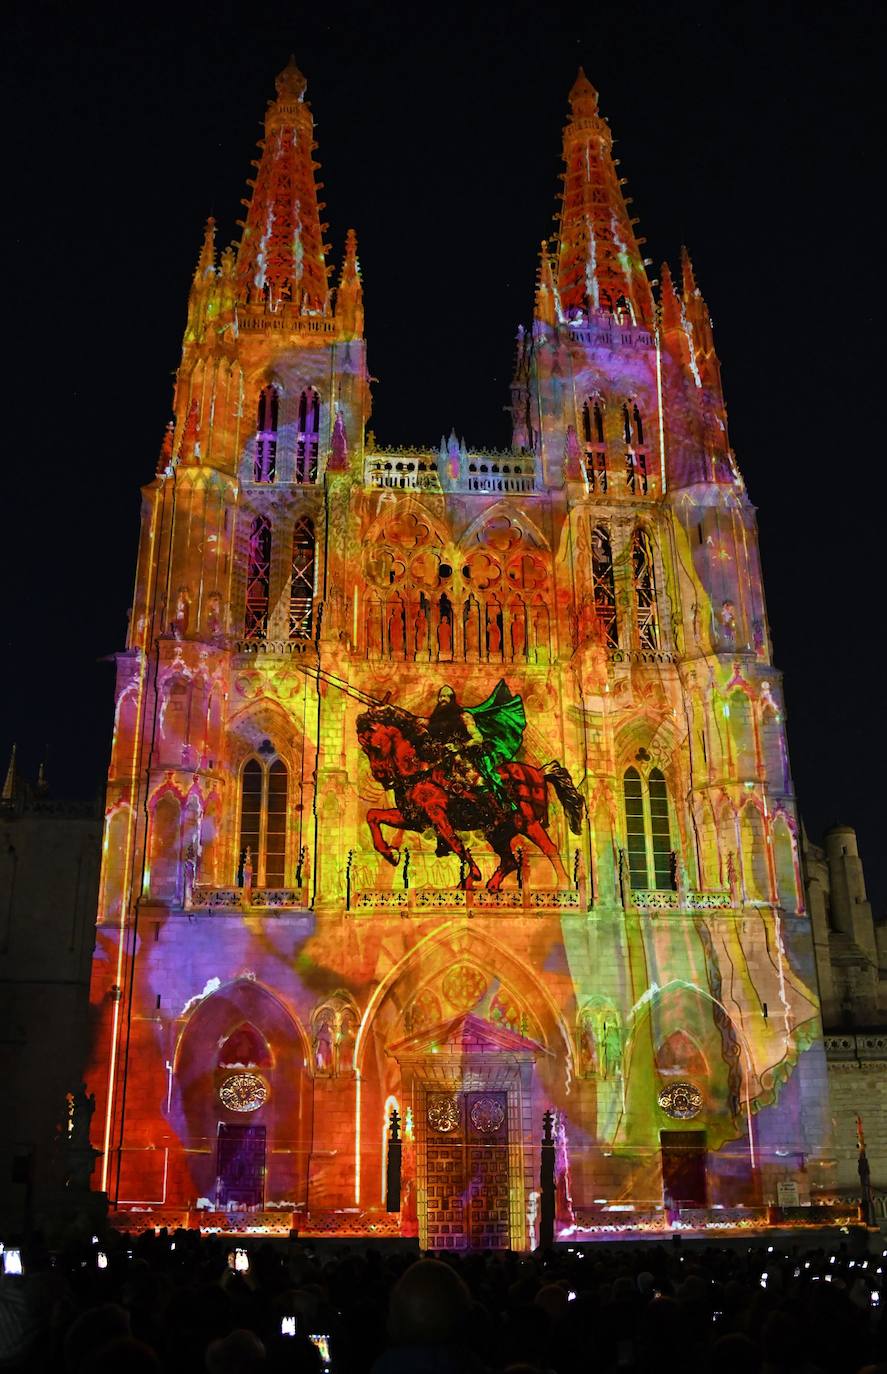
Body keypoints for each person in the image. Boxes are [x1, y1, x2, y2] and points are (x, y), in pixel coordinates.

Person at [426, 680, 525, 812]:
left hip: (471, 755)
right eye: (440, 696)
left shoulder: (464, 716)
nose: (442, 699)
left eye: (446, 696)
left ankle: (505, 804)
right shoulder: (437, 720)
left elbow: (478, 738)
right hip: (446, 758)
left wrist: (460, 746)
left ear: (452, 698)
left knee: (487, 778)